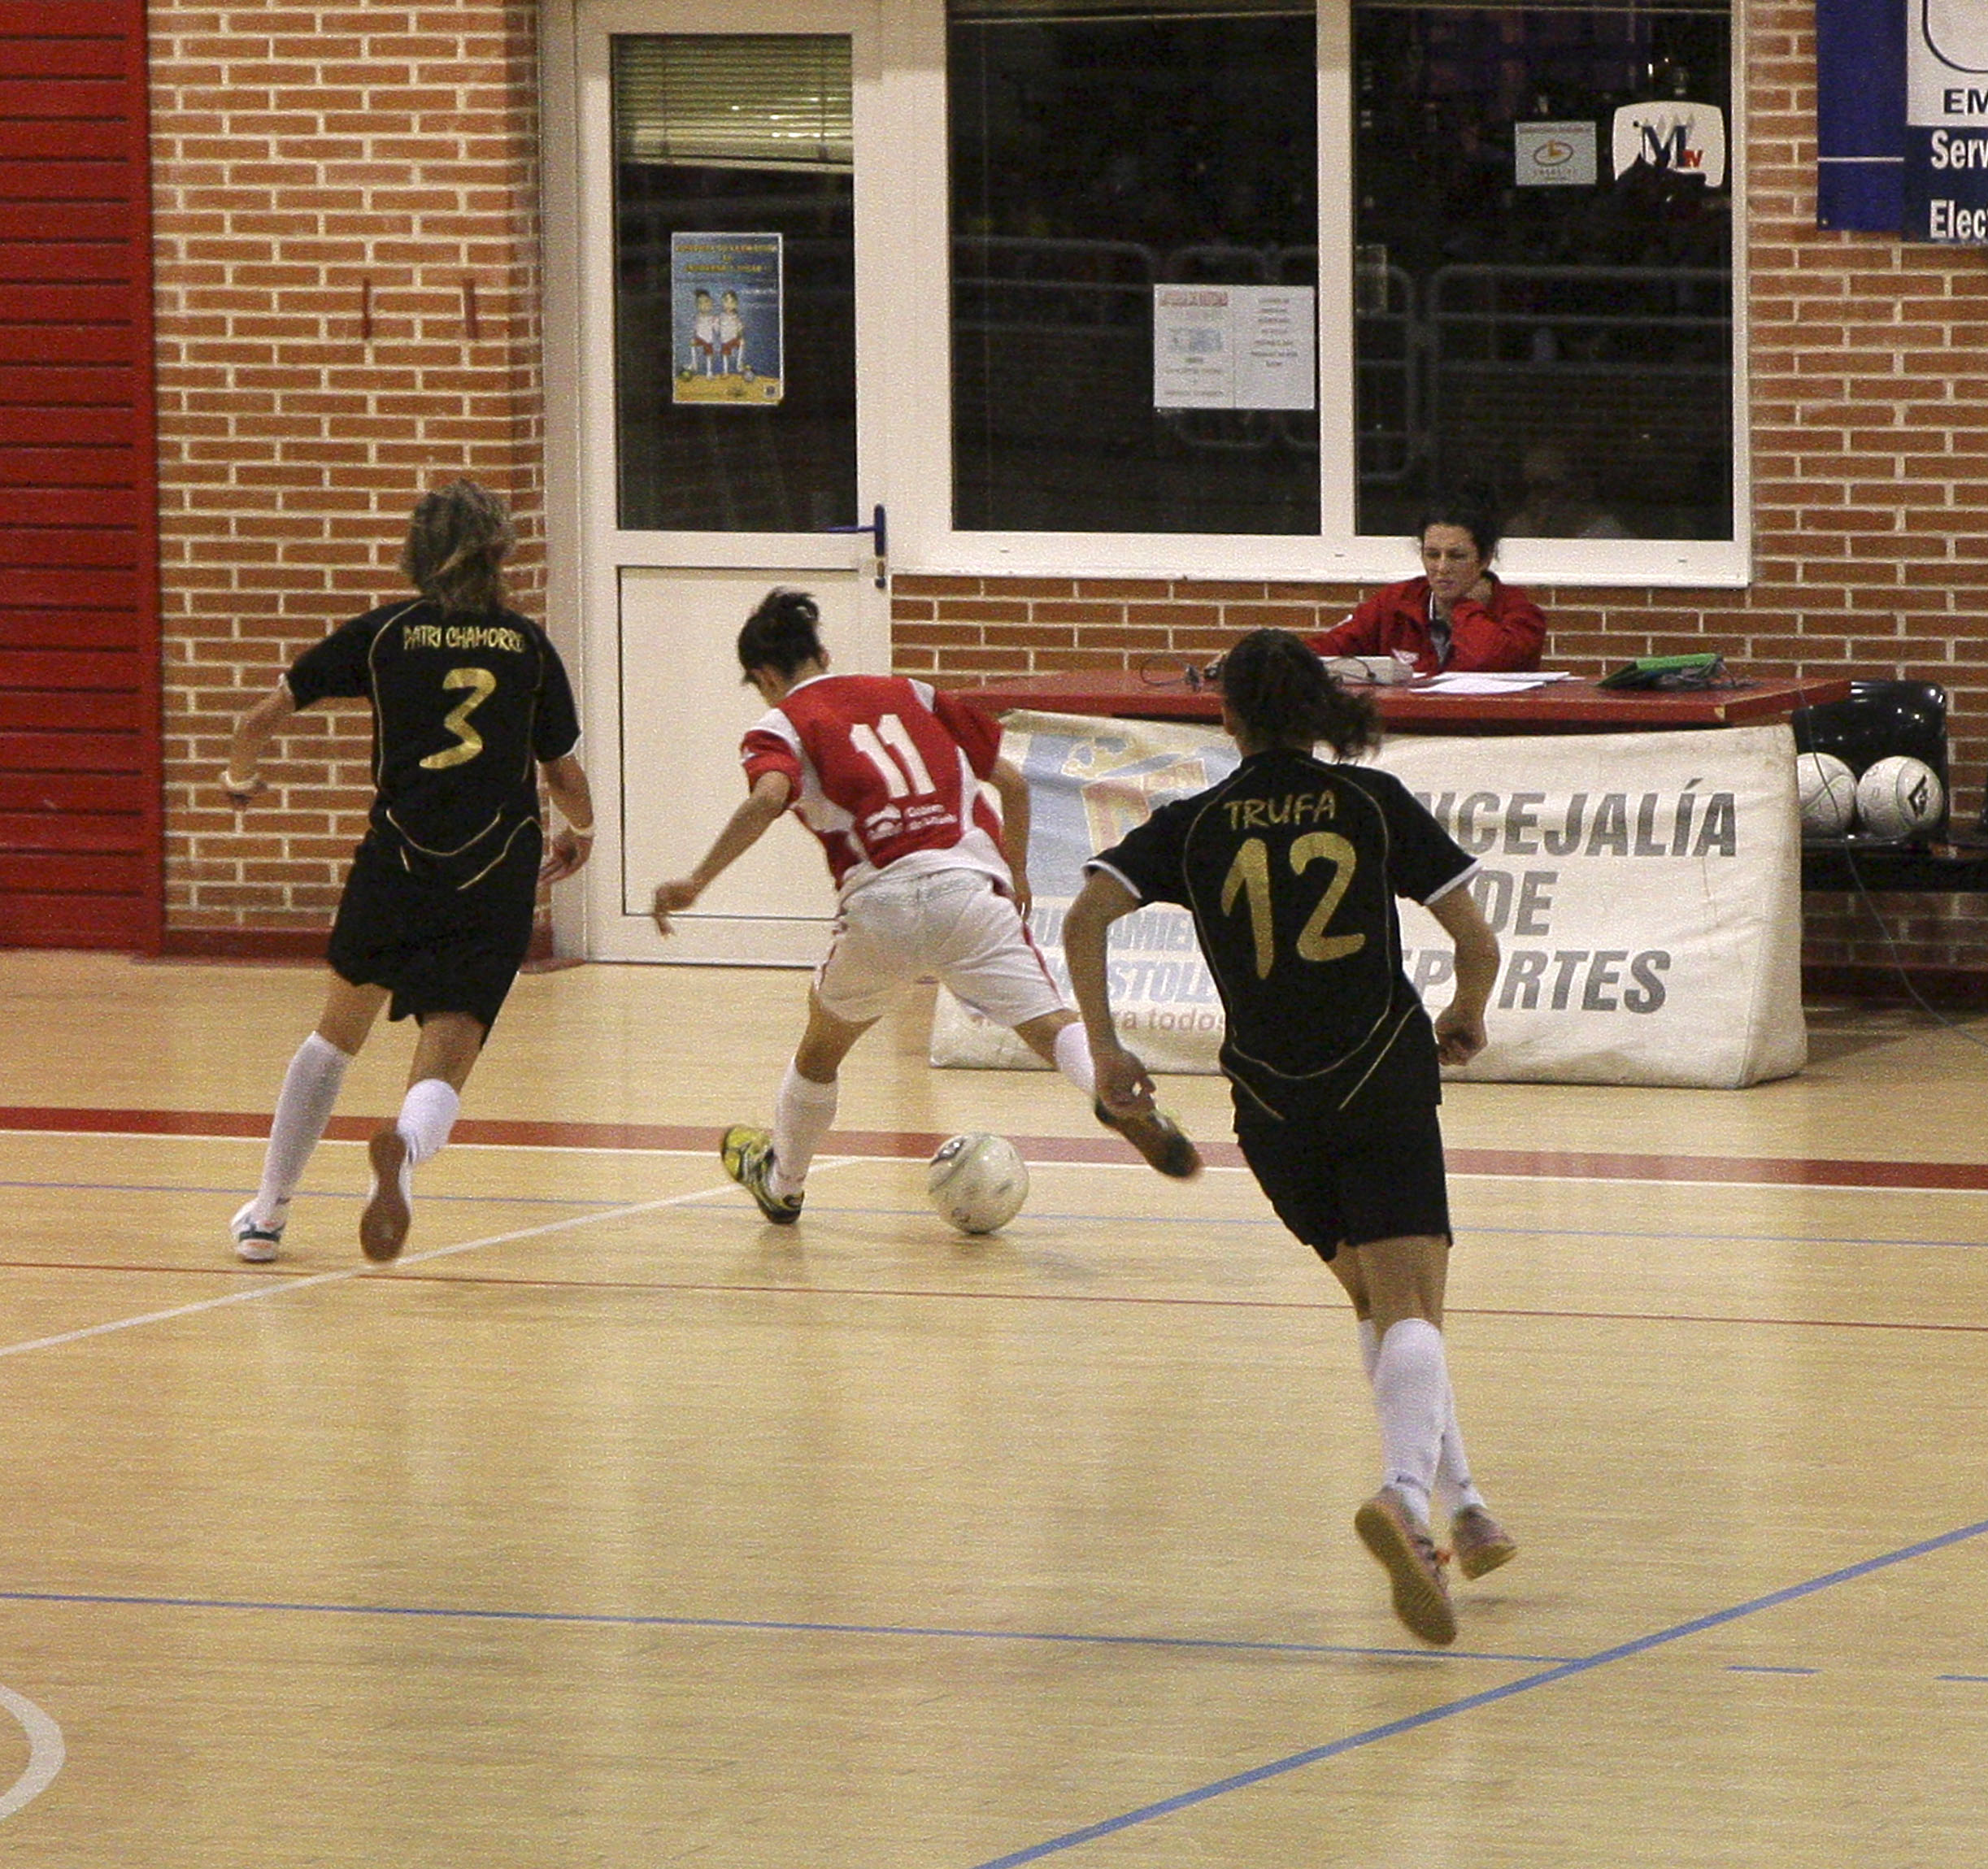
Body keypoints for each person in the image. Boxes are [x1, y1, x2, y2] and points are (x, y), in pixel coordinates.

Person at [1061, 628, 1508, 1647]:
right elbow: (1475, 941)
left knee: (1374, 1297)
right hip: (1378, 1075)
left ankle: (1470, 1506)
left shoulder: (1196, 820)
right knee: (1415, 1303)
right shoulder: (1373, 805)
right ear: (1318, 709)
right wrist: (1468, 1012)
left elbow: (1085, 920)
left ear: (1226, 718)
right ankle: (1406, 1497)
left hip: (1268, 1101)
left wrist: (1109, 1052)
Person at [650, 587, 1199, 1222]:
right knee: (1051, 1026)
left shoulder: (778, 726)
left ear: (767, 677)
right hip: (969, 887)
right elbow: (1012, 783)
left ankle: (785, 1181)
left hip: (880, 903)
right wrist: (1017, 872)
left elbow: (767, 799)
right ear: (823, 653)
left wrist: (696, 880)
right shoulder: (912, 691)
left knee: (821, 1047)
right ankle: (1113, 1092)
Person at [220, 480, 594, 1265]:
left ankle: (267, 1214)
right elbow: (562, 771)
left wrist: (240, 778)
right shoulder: (527, 645)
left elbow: (260, 718)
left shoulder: (384, 636)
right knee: (452, 1039)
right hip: (496, 866)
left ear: (417, 554)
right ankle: (403, 1156)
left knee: (334, 1038)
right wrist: (581, 833)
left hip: (397, 860)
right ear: (501, 556)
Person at [1304, 501, 1546, 676]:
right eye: (1432, 555)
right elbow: (1327, 650)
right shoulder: (1396, 602)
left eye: (1456, 556)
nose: (1442, 567)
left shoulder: (1520, 614)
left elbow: (1485, 660)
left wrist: (1467, 608)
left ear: (1485, 559)